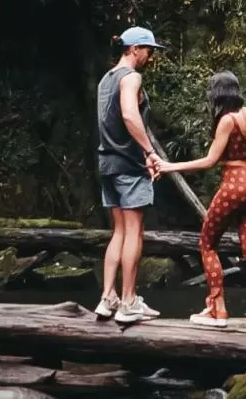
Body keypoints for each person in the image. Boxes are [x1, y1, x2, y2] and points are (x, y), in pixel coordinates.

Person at [152, 71, 246, 332]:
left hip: (234, 185)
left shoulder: (227, 120)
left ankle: (217, 308)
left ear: (219, 94)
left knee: (207, 243)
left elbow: (209, 161)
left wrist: (169, 167)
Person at [94, 26, 166, 324]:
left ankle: (107, 298)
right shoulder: (131, 78)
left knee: (119, 233)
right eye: (149, 50)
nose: (151, 56)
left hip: (107, 163)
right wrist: (150, 152)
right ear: (134, 49)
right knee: (134, 232)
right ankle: (128, 302)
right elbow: (128, 114)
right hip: (128, 164)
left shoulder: (105, 79)